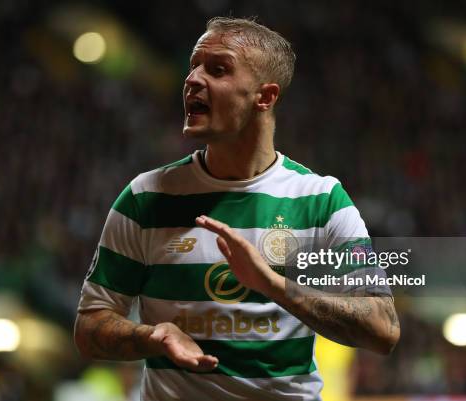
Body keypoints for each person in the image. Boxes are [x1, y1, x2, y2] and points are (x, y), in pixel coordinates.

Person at [74, 16, 400, 401]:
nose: (193, 79)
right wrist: (154, 336)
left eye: (218, 69)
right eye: (193, 65)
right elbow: (90, 327)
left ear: (265, 96)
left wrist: (273, 286)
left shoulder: (321, 201)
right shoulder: (146, 197)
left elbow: (383, 328)